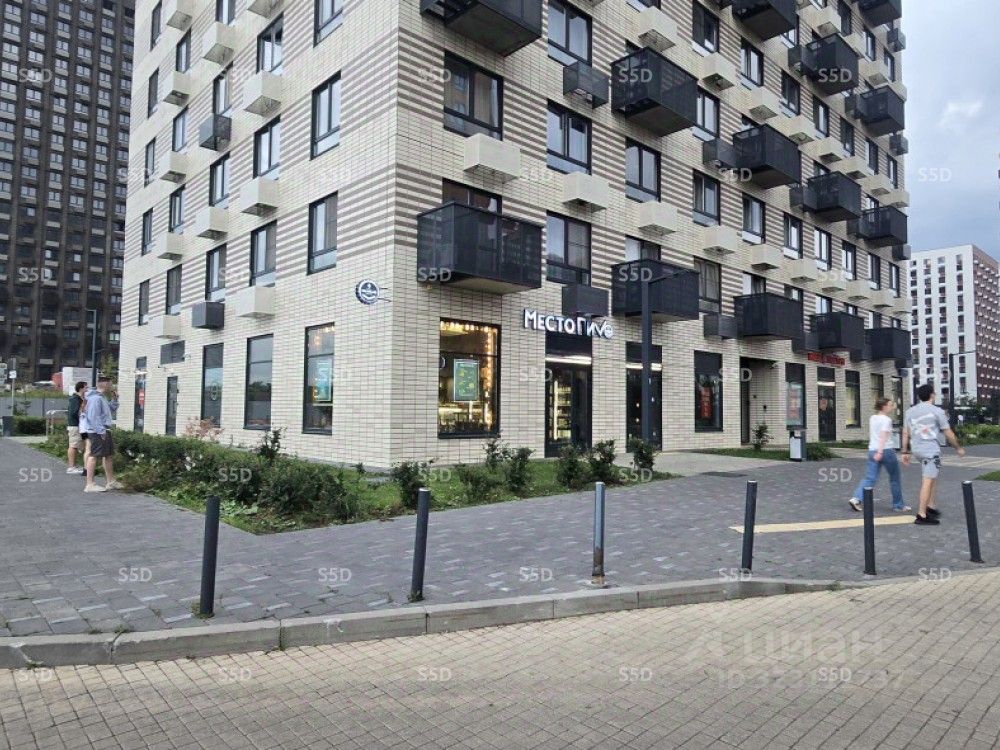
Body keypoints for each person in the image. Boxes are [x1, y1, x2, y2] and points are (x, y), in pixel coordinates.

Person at [901, 384, 965, 525]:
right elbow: (948, 432)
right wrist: (958, 447)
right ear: (932, 395)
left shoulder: (910, 411)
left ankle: (930, 506)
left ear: (919, 397)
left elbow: (905, 432)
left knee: (932, 477)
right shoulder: (937, 411)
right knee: (928, 480)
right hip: (930, 451)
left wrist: (904, 451)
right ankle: (922, 514)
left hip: (917, 449)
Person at [848, 397, 910, 513]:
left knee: (870, 478)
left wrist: (877, 451)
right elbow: (883, 436)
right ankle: (898, 505)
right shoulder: (886, 420)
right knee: (895, 478)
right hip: (885, 451)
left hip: (872, 450)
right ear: (884, 406)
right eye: (890, 405)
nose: (892, 407)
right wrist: (880, 452)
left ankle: (856, 498)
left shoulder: (873, 418)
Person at [83, 376, 121, 493]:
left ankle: (110, 481)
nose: (112, 386)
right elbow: (93, 417)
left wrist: (115, 399)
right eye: (111, 384)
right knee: (94, 455)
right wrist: (101, 431)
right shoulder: (95, 399)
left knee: (108, 455)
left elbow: (110, 410)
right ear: (105, 385)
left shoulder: (101, 398)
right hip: (97, 431)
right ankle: (90, 484)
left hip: (103, 430)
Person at [65, 381, 87, 475]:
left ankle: (74, 465)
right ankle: (71, 467)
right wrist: (82, 409)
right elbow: (74, 412)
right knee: (73, 445)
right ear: (81, 388)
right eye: (86, 387)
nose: (87, 389)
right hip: (75, 425)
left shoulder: (81, 398)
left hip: (79, 425)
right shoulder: (75, 399)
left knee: (77, 445)